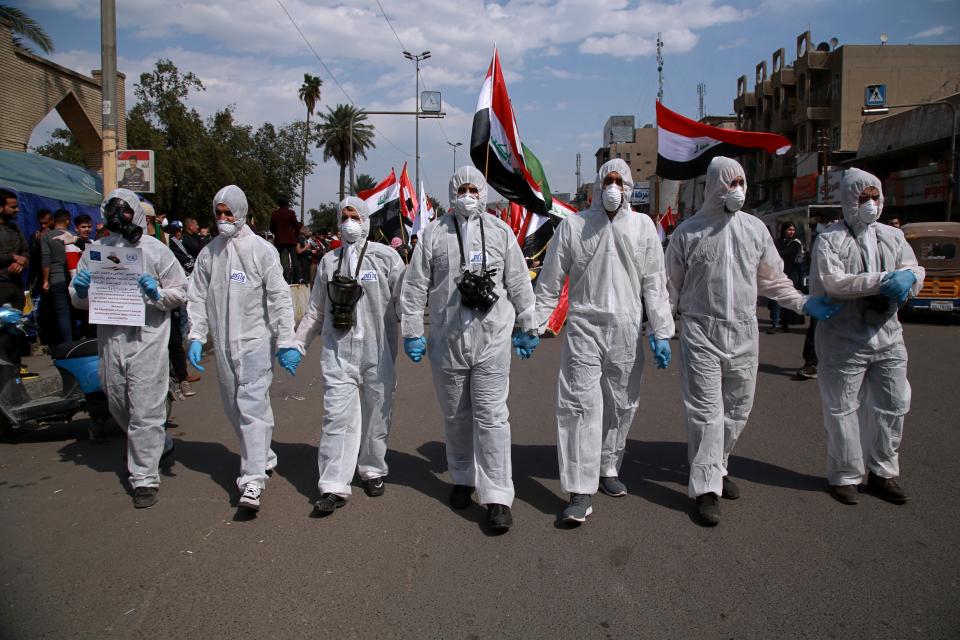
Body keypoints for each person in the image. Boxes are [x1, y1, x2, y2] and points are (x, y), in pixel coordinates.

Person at [665, 157, 841, 526]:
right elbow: (671, 287)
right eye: (730, 184)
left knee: (738, 410)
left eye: (741, 182)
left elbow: (773, 280)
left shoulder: (755, 230)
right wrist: (662, 330)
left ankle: (718, 464)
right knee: (706, 414)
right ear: (714, 186)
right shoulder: (688, 232)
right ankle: (706, 488)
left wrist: (804, 302)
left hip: (744, 331)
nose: (737, 190)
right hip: (701, 331)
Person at [534, 159, 675, 524]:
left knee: (621, 403)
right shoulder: (575, 226)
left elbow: (654, 285)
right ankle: (580, 491)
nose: (613, 187)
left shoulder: (643, 227)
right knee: (579, 406)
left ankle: (608, 465)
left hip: (627, 331)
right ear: (598, 185)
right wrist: (532, 324)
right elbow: (549, 282)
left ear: (629, 186)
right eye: (608, 180)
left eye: (620, 181)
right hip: (584, 327)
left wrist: (661, 331)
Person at [399, 167, 537, 532]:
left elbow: (519, 281)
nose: (468, 194)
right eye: (462, 188)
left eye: (475, 188)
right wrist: (412, 331)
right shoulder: (433, 234)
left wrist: (528, 323)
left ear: (483, 192)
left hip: (492, 338)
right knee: (456, 417)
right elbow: (414, 287)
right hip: (447, 342)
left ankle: (496, 498)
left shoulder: (500, 231)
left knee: (492, 418)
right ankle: (463, 477)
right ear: (452, 191)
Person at [810, 169, 924, 506]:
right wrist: (883, 281)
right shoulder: (830, 239)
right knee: (843, 408)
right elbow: (834, 282)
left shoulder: (892, 236)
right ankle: (845, 475)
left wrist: (908, 280)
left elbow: (914, 269)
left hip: (888, 334)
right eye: (863, 198)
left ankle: (883, 473)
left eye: (875, 197)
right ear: (848, 200)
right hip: (844, 338)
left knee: (893, 404)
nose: (871, 204)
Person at [69, 189, 187, 509]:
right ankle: (158, 442)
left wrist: (157, 294)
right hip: (111, 337)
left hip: (147, 336)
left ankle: (144, 478)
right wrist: (80, 290)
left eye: (123, 212)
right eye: (112, 212)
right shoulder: (96, 251)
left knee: (146, 407)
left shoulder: (155, 250)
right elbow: (79, 298)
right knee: (117, 399)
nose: (116, 219)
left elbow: (181, 290)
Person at [186, 185, 298, 513]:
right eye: (218, 213)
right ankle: (263, 455)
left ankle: (252, 481)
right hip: (222, 345)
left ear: (241, 211)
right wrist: (196, 335)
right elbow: (196, 296)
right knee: (233, 406)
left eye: (228, 212)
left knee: (251, 406)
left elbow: (279, 297)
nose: (223, 218)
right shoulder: (210, 254)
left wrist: (286, 339)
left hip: (255, 344)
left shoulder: (261, 250)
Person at [296, 197, 404, 515]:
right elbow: (316, 309)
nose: (349, 222)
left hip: (378, 350)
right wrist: (297, 343)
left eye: (354, 215)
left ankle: (372, 469)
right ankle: (333, 485)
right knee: (336, 418)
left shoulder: (387, 259)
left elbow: (405, 302)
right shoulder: (330, 261)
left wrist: (415, 334)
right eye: (344, 216)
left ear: (366, 220)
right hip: (338, 351)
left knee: (377, 414)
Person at [0, 189, 29, 372]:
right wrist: (12, 257)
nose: (17, 210)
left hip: (16, 288)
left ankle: (13, 370)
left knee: (15, 332)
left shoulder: (15, 228)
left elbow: (26, 251)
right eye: (13, 207)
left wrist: (23, 260)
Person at [40, 209, 74, 344]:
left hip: (56, 278)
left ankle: (67, 344)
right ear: (67, 221)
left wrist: (45, 280)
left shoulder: (47, 237)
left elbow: (45, 259)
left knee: (62, 313)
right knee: (73, 311)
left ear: (54, 221)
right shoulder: (73, 235)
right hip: (73, 279)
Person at [766, 222, 805, 334]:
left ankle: (784, 323)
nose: (791, 232)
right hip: (776, 273)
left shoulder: (796, 244)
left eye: (793, 230)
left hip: (789, 275)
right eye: (789, 230)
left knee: (786, 300)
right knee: (775, 300)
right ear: (784, 230)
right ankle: (775, 323)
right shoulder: (778, 242)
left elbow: (782, 253)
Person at [269, 196, 301, 283]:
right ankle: (298, 279)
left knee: (277, 259)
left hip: (279, 240)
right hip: (290, 239)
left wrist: (278, 234)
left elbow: (271, 228)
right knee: (295, 260)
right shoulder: (291, 213)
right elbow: (296, 226)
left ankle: (276, 278)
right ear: (287, 203)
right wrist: (294, 234)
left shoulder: (274, 214)